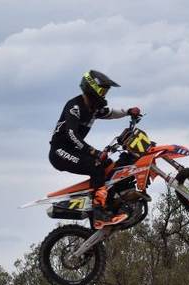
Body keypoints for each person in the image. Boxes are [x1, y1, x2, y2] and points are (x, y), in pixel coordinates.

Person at [49, 69, 142, 229]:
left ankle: (109, 205)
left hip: (75, 150)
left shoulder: (93, 108)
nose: (105, 94)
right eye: (103, 90)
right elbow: (71, 134)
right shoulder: (75, 107)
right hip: (60, 152)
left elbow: (110, 113)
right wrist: (93, 152)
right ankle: (99, 212)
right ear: (93, 88)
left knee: (108, 165)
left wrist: (128, 112)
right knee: (97, 165)